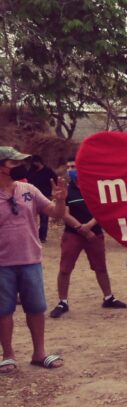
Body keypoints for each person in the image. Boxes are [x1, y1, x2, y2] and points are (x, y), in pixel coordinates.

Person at [0, 147, 66, 373]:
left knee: (36, 308)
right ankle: (8, 355)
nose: (20, 166)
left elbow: (55, 214)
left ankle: (39, 354)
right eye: (13, 163)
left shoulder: (28, 189)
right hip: (2, 264)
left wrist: (60, 201)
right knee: (3, 310)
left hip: (30, 260)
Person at [50, 158, 126, 318]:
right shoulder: (66, 190)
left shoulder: (95, 188)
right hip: (73, 234)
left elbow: (102, 210)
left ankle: (108, 297)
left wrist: (90, 226)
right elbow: (64, 213)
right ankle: (62, 302)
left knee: (101, 267)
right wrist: (81, 228)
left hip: (95, 233)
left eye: (74, 166)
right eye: (69, 167)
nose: (71, 169)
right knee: (65, 269)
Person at [25, 155, 57, 243]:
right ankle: (32, 235)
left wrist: (53, 191)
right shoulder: (31, 171)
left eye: (35, 162)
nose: (33, 164)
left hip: (45, 196)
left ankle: (42, 237)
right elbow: (27, 181)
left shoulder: (48, 171)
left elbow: (55, 181)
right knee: (31, 217)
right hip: (32, 196)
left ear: (39, 162)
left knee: (44, 218)